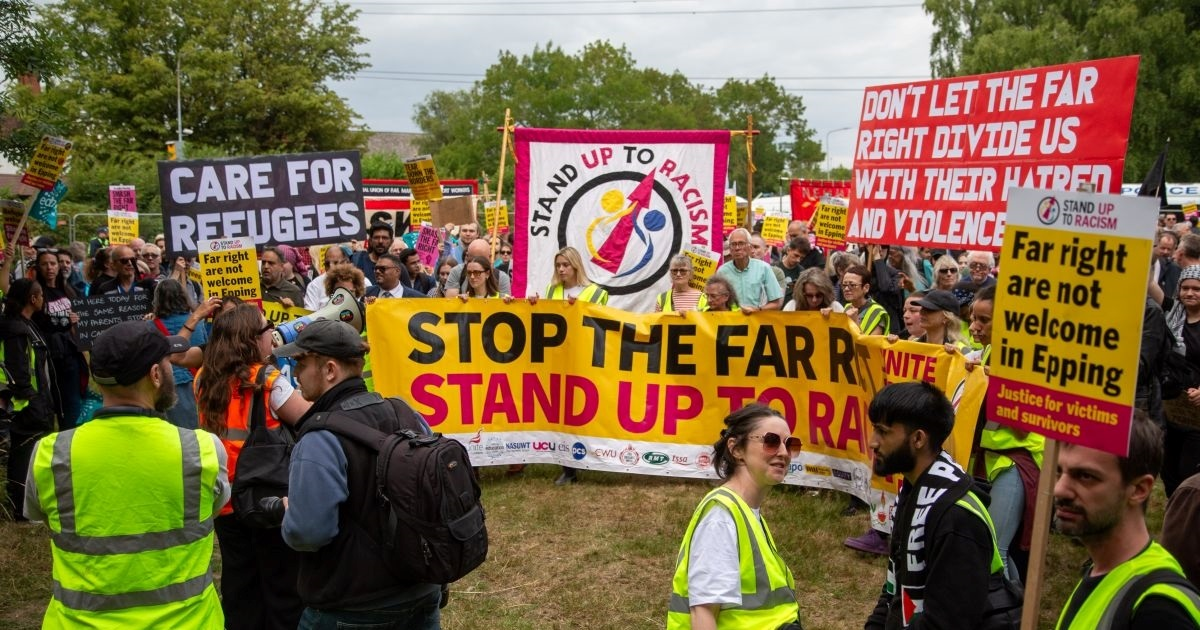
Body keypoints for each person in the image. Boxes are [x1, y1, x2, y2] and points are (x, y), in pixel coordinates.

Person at [23, 320, 228, 628]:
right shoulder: (202, 450)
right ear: (156, 375)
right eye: (167, 362)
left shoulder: (52, 454)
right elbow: (214, 507)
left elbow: (39, 514)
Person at [277, 320, 444, 629]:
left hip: (352, 607)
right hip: (422, 588)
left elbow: (308, 532)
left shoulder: (319, 438)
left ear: (329, 370)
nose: (295, 371)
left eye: (301, 362)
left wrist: (290, 515)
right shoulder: (406, 412)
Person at [194, 304, 311, 630]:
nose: (271, 333)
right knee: (282, 583)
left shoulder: (204, 378)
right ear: (250, 339)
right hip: (266, 495)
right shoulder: (268, 381)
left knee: (239, 580)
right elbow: (308, 416)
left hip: (225, 498)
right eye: (266, 328)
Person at [865, 381, 1009, 629]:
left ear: (918, 438)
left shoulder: (956, 517)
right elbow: (893, 591)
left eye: (883, 431)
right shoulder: (913, 490)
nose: (872, 442)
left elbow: (948, 622)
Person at [1053, 411, 1200, 628]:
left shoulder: (1158, 610)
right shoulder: (1102, 570)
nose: (1060, 489)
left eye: (1085, 476)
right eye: (1059, 472)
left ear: (1139, 489)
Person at [667, 404, 802, 630]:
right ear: (736, 449)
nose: (783, 452)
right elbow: (703, 614)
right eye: (771, 441)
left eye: (790, 444)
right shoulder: (721, 516)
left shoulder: (746, 512)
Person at [2, 279, 56, 519]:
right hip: (25, 404)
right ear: (33, 299)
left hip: (36, 401)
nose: (43, 299)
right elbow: (18, 369)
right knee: (23, 455)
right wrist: (31, 398)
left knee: (32, 454)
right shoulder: (15, 330)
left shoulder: (27, 324)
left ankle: (31, 504)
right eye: (41, 295)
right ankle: (21, 510)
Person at [32, 249, 86, 430]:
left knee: (72, 400)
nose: (50, 268)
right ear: (38, 268)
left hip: (70, 353)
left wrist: (75, 323)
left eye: (53, 263)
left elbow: (78, 328)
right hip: (48, 355)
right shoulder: (35, 292)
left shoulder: (68, 290)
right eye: (45, 264)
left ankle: (71, 434)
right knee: (54, 401)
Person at [152, 279, 216, 429]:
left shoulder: (150, 326)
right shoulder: (197, 323)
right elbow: (203, 350)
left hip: (165, 383)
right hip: (194, 380)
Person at [717, 228, 783, 312]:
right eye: (733, 244)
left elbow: (777, 303)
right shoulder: (722, 271)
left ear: (750, 247)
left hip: (756, 321)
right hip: (731, 321)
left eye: (741, 243)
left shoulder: (763, 268)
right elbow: (716, 302)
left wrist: (757, 310)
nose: (737, 248)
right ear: (730, 249)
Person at [305, 245, 365, 310]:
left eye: (336, 263)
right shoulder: (314, 285)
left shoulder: (362, 281)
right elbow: (309, 314)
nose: (331, 267)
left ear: (346, 262)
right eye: (327, 264)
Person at [444, 239, 513, 297]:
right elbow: (450, 303)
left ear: (490, 257)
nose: (472, 276)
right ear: (467, 256)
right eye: (469, 273)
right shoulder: (457, 271)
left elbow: (505, 308)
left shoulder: (501, 277)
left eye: (481, 260)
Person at [543, 246, 608, 305]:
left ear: (576, 266)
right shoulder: (551, 289)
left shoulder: (594, 292)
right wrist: (534, 305)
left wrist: (578, 307)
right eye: (558, 265)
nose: (561, 269)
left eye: (565, 265)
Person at [841, 264, 890, 335]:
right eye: (844, 285)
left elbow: (872, 345)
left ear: (866, 288)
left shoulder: (877, 312)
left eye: (852, 285)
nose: (846, 289)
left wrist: (855, 322)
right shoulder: (847, 307)